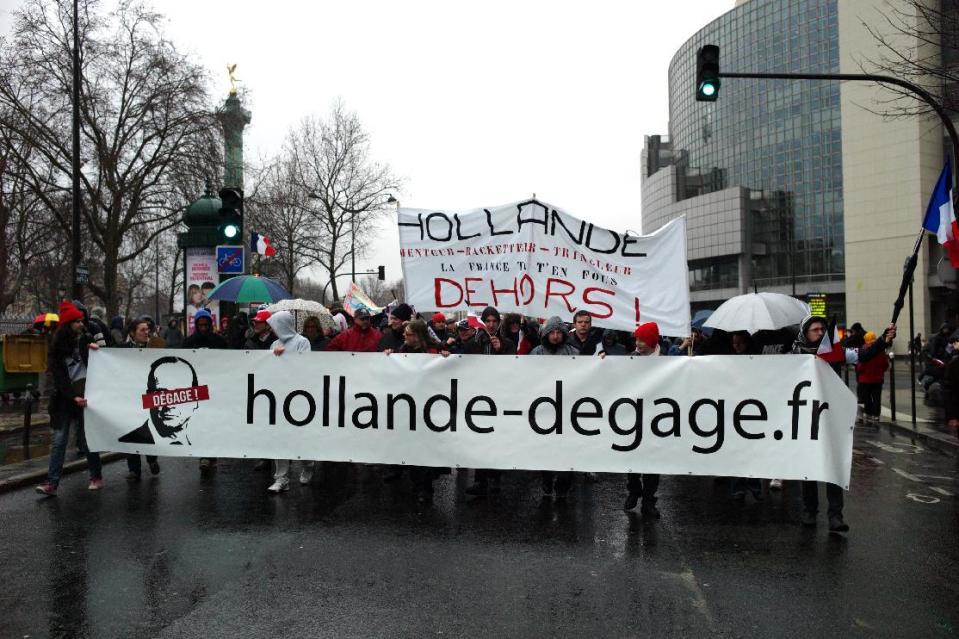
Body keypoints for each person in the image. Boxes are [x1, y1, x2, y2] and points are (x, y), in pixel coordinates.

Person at [791, 314, 895, 532]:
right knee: (808, 467)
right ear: (805, 333)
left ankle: (835, 515)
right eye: (815, 329)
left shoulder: (836, 353)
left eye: (822, 329)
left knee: (833, 466)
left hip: (831, 418)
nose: (820, 333)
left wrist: (883, 340)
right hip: (804, 418)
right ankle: (810, 511)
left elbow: (864, 354)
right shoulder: (794, 355)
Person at [35, 301, 103, 495]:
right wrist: (73, 397)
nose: (81, 324)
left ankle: (96, 476)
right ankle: (52, 483)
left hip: (86, 396)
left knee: (88, 438)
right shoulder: (56, 349)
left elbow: (99, 365)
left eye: (81, 321)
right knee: (59, 440)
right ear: (68, 324)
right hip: (65, 400)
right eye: (77, 322)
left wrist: (96, 352)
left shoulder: (85, 339)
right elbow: (59, 378)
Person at [465, 306, 515, 497]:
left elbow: (513, 367)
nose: (491, 325)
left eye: (495, 321)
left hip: (499, 395)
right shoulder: (472, 343)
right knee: (479, 438)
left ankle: (495, 478)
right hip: (477, 397)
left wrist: (500, 351)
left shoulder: (508, 343)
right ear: (483, 322)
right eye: (488, 321)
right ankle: (479, 479)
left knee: (496, 438)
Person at [530, 316, 579, 500]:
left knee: (566, 449)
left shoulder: (573, 352)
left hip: (566, 410)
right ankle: (547, 478)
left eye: (559, 332)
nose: (556, 336)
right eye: (553, 332)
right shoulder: (536, 353)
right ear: (547, 334)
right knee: (546, 448)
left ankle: (563, 484)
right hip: (544, 410)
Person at [266, 311, 315, 492]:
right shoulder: (273, 344)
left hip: (298, 397)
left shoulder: (302, 342)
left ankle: (308, 463)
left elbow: (306, 366)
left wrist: (285, 356)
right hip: (278, 396)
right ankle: (281, 477)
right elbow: (265, 365)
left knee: (298, 436)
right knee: (279, 437)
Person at [621, 322, 663, 517]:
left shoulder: (667, 359)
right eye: (636, 339)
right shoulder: (631, 358)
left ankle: (648, 500)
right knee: (632, 457)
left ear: (652, 342)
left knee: (653, 462)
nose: (637, 343)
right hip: (635, 416)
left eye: (641, 340)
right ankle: (634, 490)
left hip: (658, 417)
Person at [182, 308, 227, 471]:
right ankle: (204, 454)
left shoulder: (219, 341)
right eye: (200, 325)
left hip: (214, 387)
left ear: (210, 324)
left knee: (211, 421)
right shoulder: (188, 342)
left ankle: (210, 454)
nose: (203, 328)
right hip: (196, 388)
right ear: (196, 324)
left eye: (205, 325)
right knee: (200, 421)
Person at [117, 318, 162, 481]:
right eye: (142, 330)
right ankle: (134, 469)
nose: (146, 332)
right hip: (130, 396)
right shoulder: (122, 349)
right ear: (132, 333)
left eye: (147, 329)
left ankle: (151, 459)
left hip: (149, 395)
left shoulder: (155, 346)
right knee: (131, 429)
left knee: (147, 427)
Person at [856, 331, 889, 428]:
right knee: (877, 397)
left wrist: (859, 371)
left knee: (867, 398)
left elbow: (860, 367)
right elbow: (885, 365)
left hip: (865, 379)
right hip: (878, 379)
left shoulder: (864, 350)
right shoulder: (880, 350)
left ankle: (868, 413)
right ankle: (876, 415)